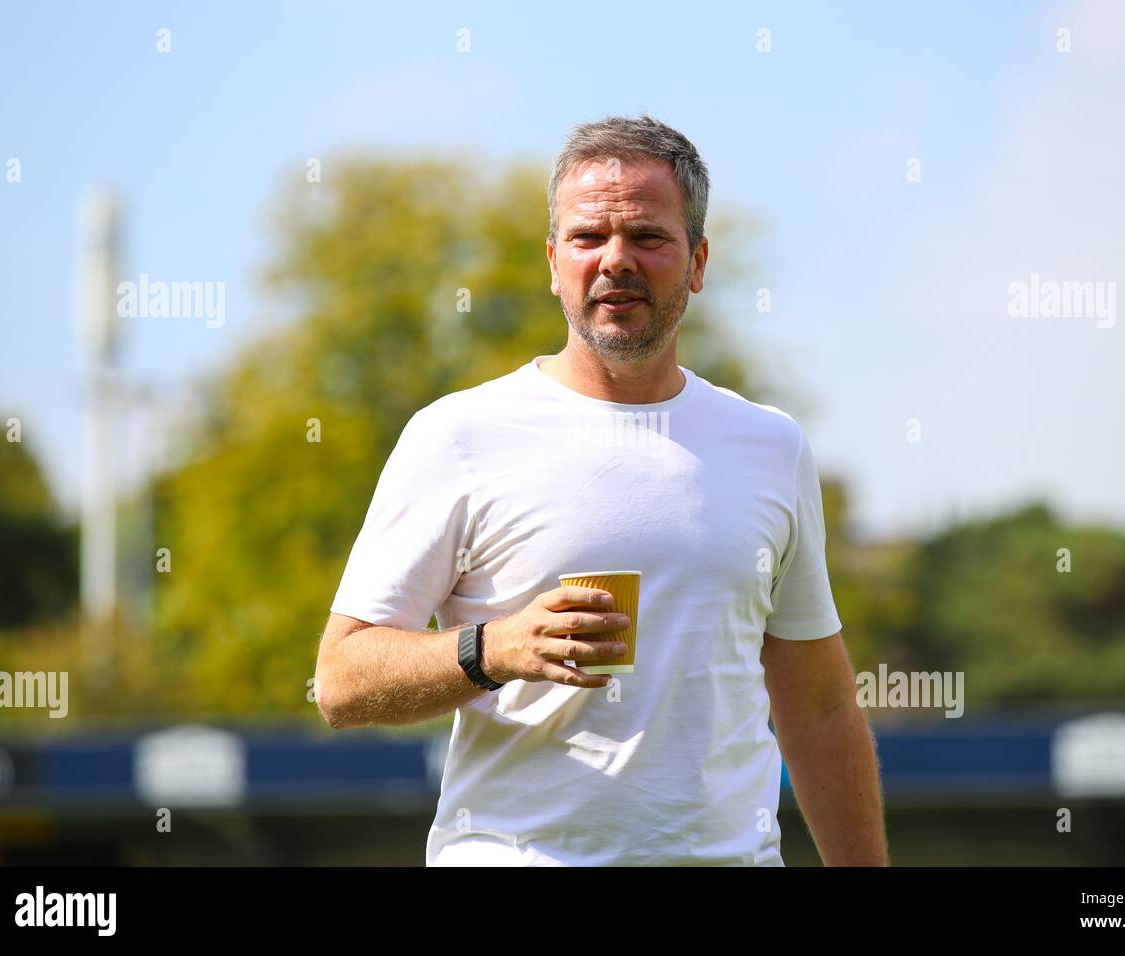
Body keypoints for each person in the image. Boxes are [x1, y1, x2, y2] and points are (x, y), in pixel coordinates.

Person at [316, 114, 889, 866]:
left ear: (698, 261)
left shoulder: (770, 445)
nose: (616, 259)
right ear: (554, 262)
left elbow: (817, 708)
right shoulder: (457, 434)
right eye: (589, 237)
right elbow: (341, 680)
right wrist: (495, 648)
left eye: (648, 237)